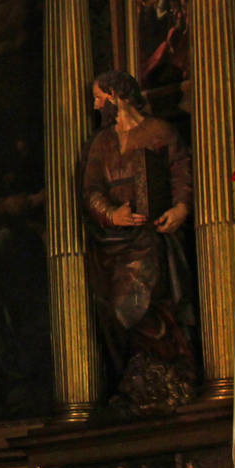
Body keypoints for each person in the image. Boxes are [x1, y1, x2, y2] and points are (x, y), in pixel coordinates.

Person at [82, 70, 197, 407]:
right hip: (114, 241)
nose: (95, 104)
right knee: (115, 308)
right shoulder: (100, 144)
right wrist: (111, 214)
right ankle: (141, 370)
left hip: (152, 234)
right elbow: (91, 191)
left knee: (146, 300)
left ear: (115, 95)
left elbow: (181, 172)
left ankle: (170, 366)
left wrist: (180, 209)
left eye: (98, 97)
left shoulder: (159, 131)